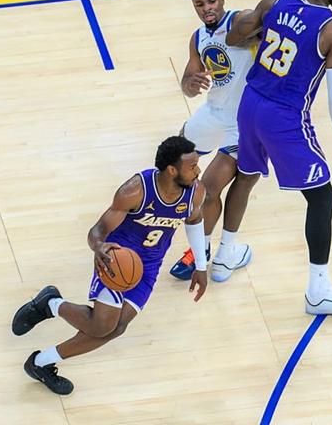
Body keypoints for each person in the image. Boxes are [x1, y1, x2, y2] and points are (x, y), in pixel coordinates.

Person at [11, 136, 209, 395]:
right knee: (102, 326)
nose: (198, 170)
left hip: (149, 266)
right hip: (116, 260)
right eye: (192, 166)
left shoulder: (195, 191)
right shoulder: (136, 190)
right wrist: (98, 246)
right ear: (172, 170)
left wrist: (201, 266)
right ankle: (52, 305)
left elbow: (194, 220)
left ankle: (40, 361)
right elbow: (99, 229)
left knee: (118, 328)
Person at [224, 0, 332, 317]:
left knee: (246, 174)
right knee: (323, 198)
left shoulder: (276, 1)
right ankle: (318, 291)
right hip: (284, 116)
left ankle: (224, 254)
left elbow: (234, 36)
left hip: (250, 102)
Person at [169, 0, 257, 282]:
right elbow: (187, 82)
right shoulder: (198, 37)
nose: (206, 7)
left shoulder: (240, 21)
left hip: (243, 122)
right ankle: (161, 221)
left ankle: (206, 250)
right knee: (172, 161)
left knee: (208, 187)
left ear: (222, 0)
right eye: (199, 4)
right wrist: (189, 84)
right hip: (213, 111)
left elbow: (264, 21)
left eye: (211, 1)